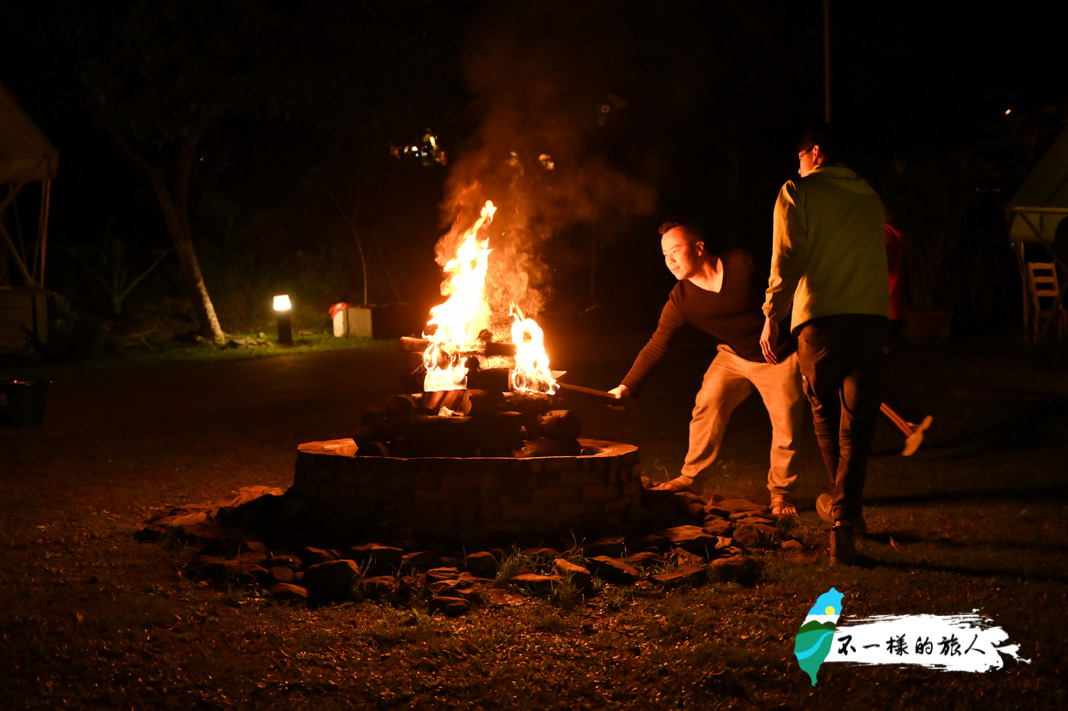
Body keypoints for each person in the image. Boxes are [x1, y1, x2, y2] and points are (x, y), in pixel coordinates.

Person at [609, 221, 806, 516]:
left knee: (786, 427)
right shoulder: (681, 300)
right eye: (665, 255)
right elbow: (657, 344)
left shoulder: (744, 263)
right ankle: (690, 479)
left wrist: (772, 320)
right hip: (733, 355)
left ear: (699, 248)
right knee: (707, 404)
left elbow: (789, 285)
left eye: (675, 250)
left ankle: (780, 495)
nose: (670, 260)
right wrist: (627, 385)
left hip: (779, 356)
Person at [759, 126, 889, 565]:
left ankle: (841, 514)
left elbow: (787, 256)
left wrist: (772, 314)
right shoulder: (870, 196)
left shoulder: (799, 190)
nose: (797, 165)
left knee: (826, 417)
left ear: (814, 153)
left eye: (799, 157)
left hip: (822, 323)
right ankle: (847, 518)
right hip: (871, 321)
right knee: (858, 430)